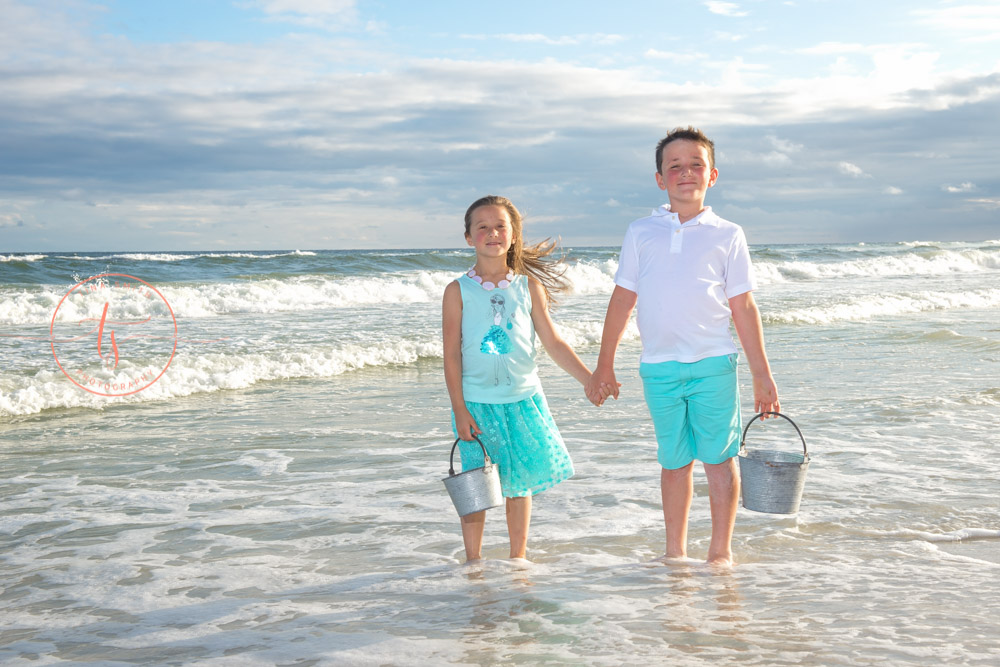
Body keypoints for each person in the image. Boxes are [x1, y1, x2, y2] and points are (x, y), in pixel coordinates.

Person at [585, 127, 779, 567]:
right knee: (673, 463)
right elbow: (622, 298)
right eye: (674, 166)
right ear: (660, 179)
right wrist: (604, 365)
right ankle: (674, 554)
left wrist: (762, 375)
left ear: (712, 174)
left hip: (713, 362)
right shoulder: (641, 231)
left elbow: (744, 305)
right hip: (658, 366)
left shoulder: (727, 233)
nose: (685, 172)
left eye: (696, 164)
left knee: (718, 459)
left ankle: (719, 554)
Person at [443, 195, 603, 563]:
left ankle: (518, 559)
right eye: (481, 227)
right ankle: (474, 563)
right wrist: (459, 409)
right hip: (476, 404)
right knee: (475, 484)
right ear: (468, 237)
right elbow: (451, 354)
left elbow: (553, 342)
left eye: (500, 226)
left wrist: (588, 378)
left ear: (513, 235)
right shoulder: (457, 291)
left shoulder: (529, 287)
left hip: (523, 399)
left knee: (519, 486)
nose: (492, 233)